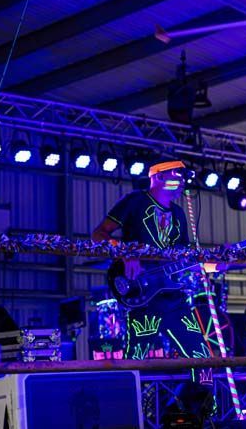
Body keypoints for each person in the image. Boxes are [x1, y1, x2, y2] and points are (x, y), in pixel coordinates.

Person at [92, 159, 212, 378]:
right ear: (158, 176)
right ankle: (129, 408)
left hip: (174, 297)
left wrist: (203, 266)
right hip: (142, 294)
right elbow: (99, 234)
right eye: (177, 175)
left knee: (201, 355)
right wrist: (125, 254)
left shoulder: (178, 214)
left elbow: (183, 255)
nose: (182, 181)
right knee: (136, 359)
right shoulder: (134, 201)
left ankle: (202, 409)